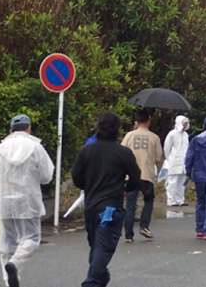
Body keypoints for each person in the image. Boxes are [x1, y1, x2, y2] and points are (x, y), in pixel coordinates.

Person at [72, 112, 141, 287]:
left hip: (91, 206)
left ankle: (100, 278)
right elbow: (135, 178)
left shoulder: (86, 150)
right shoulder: (123, 153)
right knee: (103, 247)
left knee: (96, 246)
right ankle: (92, 282)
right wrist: (126, 189)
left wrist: (88, 186)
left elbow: (76, 176)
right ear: (118, 130)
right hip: (110, 207)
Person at [0, 114, 55, 287]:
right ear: (29, 128)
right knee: (31, 238)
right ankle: (15, 264)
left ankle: (9, 282)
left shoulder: (0, 149)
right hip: (28, 200)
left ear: (10, 131)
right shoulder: (35, 147)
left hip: (5, 200)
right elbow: (47, 176)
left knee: (6, 243)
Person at [121, 110, 163, 241]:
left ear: (136, 122)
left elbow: (121, 153)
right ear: (149, 122)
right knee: (149, 200)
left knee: (130, 204)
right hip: (147, 174)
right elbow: (158, 158)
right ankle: (144, 226)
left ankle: (128, 234)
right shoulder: (154, 137)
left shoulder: (128, 136)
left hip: (130, 175)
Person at [163, 115, 190, 207]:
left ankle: (180, 200)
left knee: (182, 182)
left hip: (184, 162)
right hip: (174, 161)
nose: (186, 125)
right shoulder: (172, 134)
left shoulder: (186, 135)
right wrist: (169, 159)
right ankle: (171, 200)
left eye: (186, 123)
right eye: (184, 123)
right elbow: (167, 148)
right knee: (172, 182)